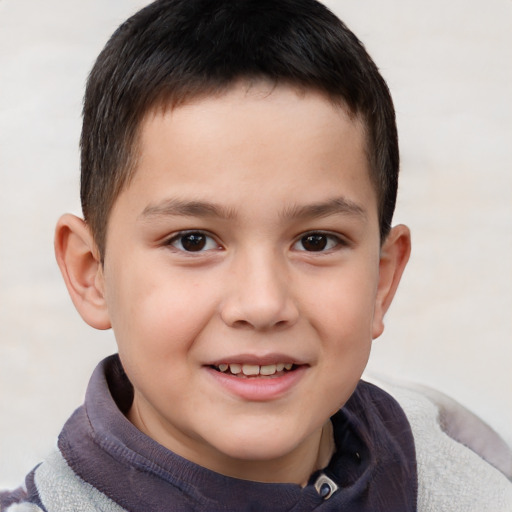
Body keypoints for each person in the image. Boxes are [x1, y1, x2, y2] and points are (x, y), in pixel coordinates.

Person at [1, 0, 511, 510]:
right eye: (193, 241)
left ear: (382, 279)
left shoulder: (473, 472)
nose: (263, 304)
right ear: (92, 274)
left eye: (316, 241)